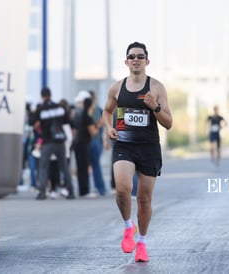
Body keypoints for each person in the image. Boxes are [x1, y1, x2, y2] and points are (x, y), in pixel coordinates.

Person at [102, 41, 173, 263]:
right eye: (131, 56)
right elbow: (106, 111)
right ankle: (127, 226)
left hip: (149, 147)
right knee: (123, 189)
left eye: (140, 56)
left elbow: (169, 123)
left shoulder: (157, 88)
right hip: (124, 145)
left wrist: (155, 107)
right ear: (126, 61)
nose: (136, 59)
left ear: (146, 61)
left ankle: (141, 242)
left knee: (144, 199)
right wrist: (109, 127)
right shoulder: (117, 88)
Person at [31, 87, 72, 200]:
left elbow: (32, 122)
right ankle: (71, 191)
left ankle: (42, 192)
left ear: (42, 96)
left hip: (47, 141)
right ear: (50, 95)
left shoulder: (41, 109)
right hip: (60, 141)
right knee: (64, 167)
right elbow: (67, 121)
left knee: (43, 167)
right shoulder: (59, 107)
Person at [73, 97, 99, 197]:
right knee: (84, 167)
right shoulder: (88, 117)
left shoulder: (81, 115)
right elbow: (93, 132)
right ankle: (85, 191)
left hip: (78, 144)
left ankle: (82, 191)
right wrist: (99, 125)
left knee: (81, 168)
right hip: (83, 145)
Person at [88, 90, 108, 196]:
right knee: (95, 165)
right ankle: (99, 187)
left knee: (94, 165)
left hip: (93, 140)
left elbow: (100, 124)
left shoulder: (92, 110)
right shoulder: (99, 109)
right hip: (97, 140)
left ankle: (100, 187)